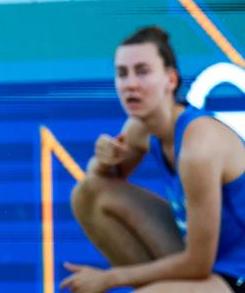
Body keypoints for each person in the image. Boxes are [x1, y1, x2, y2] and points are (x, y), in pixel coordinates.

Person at [65, 26, 245, 293]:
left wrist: (110, 278)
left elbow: (198, 264)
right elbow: (99, 184)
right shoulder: (140, 128)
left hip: (234, 270)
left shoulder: (199, 146)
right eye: (122, 73)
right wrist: (103, 161)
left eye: (142, 71)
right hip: (211, 263)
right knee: (89, 195)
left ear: (171, 80)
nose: (130, 84)